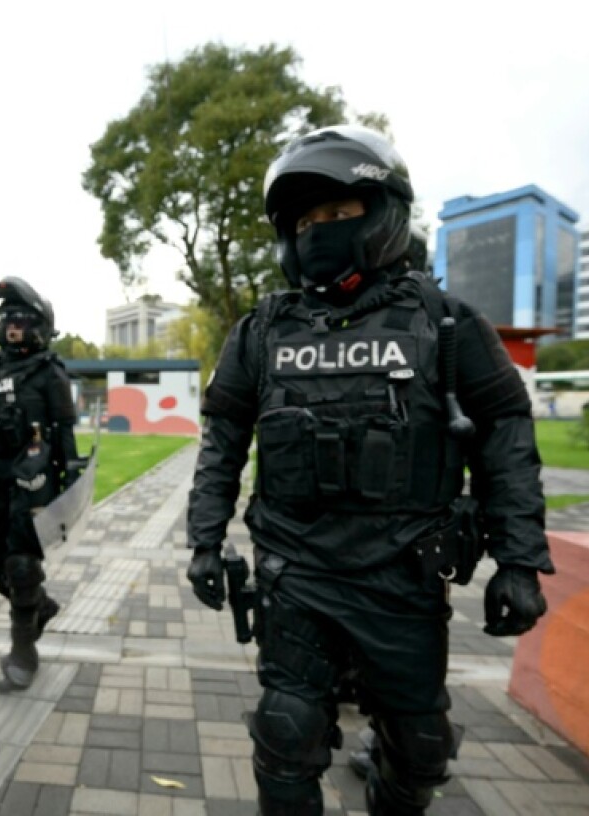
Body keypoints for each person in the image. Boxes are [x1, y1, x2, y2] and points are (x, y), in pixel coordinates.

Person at [185, 125, 553, 815]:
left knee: (420, 747)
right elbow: (222, 442)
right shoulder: (262, 331)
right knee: (285, 733)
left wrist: (520, 560)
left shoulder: (444, 322)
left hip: (404, 579)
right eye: (306, 220)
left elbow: (505, 438)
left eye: (338, 213)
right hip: (296, 573)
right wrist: (204, 540)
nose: (320, 230)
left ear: (381, 212)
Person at [0, 277, 81, 691]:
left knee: (21, 564)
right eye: (5, 318)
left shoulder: (49, 372)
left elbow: (66, 431)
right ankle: (40, 606)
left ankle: (23, 652)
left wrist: (70, 480)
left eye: (19, 318)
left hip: (34, 479)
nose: (11, 325)